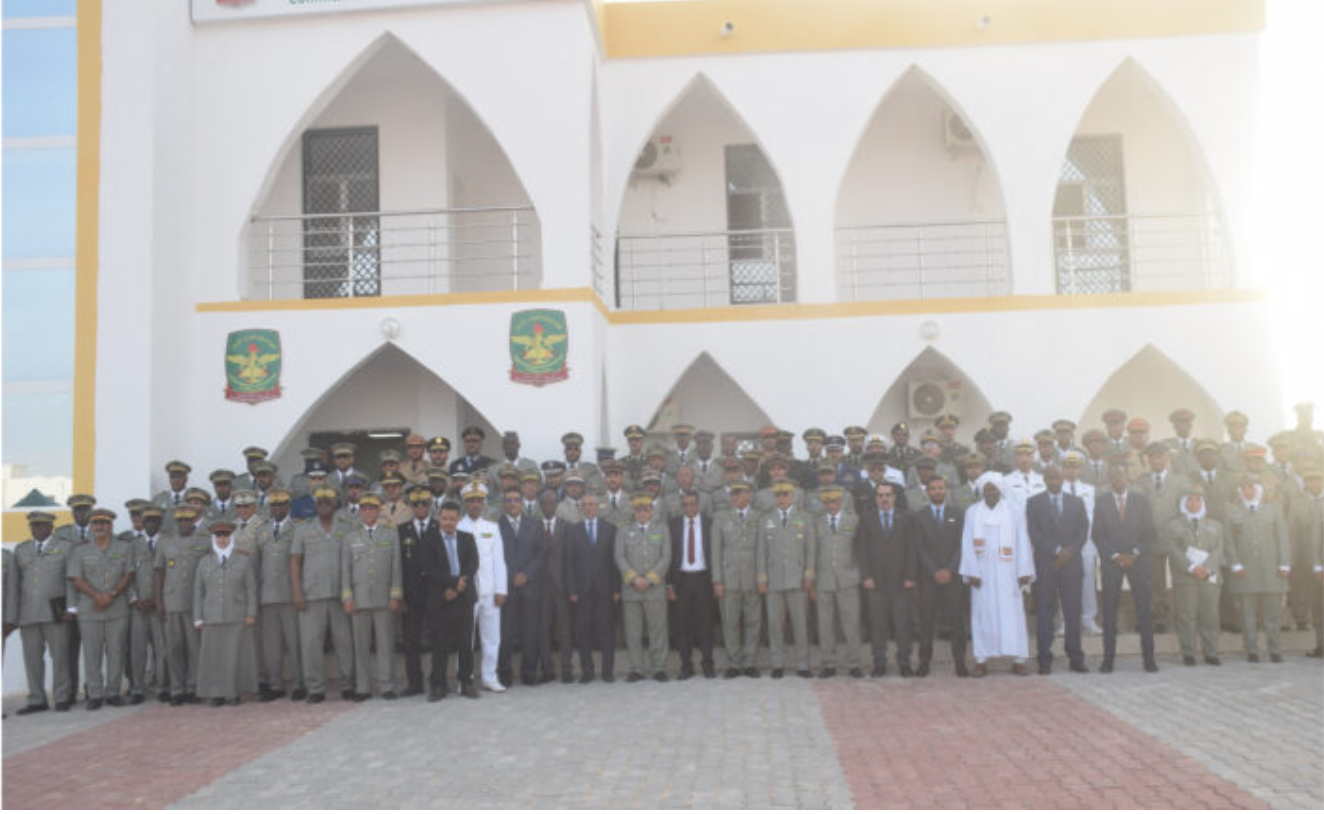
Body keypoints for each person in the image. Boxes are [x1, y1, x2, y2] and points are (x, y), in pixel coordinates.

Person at [960, 473, 1035, 677]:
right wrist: (971, 572)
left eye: (994, 488)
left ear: (1001, 490)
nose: (991, 492)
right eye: (987, 488)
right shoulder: (972, 512)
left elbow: (1022, 541)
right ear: (982, 491)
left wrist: (1024, 571)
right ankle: (981, 660)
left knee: (1014, 616)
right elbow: (967, 543)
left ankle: (1019, 659)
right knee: (982, 615)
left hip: (1009, 572)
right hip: (982, 573)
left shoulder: (1015, 511)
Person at [290, 486, 356, 703]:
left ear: (335, 502)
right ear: (314, 505)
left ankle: (348, 685)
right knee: (311, 645)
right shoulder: (303, 529)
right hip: (312, 596)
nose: (323, 504)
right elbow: (295, 562)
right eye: (319, 502)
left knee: (345, 643)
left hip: (340, 594)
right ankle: (316, 688)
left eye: (327, 501)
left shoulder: (346, 527)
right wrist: (297, 592)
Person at [1092, 465, 1159, 673]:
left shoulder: (1141, 500)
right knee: (1109, 611)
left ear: (1127, 477)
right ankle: (1108, 660)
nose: (1117, 479)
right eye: (1113, 476)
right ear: (1109, 479)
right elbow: (1097, 535)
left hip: (1137, 561)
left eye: (1120, 475)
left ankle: (1149, 659)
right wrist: (1115, 556)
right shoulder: (1101, 502)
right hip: (1112, 562)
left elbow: (1150, 534)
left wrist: (1135, 553)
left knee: (1144, 610)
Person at [1026, 466, 1089, 675]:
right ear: (1044, 479)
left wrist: (1069, 551)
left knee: (1072, 612)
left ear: (1064, 478)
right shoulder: (1034, 502)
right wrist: (1056, 550)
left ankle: (1076, 657)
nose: (1054, 481)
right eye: (1050, 477)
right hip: (1046, 565)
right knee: (1044, 613)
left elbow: (1083, 529)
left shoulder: (1077, 502)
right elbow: (1034, 532)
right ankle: (1044, 659)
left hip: (1071, 565)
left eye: (1057, 477)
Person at [340, 494, 403, 700]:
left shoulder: (390, 535)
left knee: (385, 644)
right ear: (360, 511)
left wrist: (395, 594)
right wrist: (347, 597)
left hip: (383, 598)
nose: (367, 511)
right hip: (359, 599)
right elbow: (345, 570)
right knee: (361, 646)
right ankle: (363, 687)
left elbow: (396, 568)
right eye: (364, 508)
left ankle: (387, 685)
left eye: (372, 508)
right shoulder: (350, 537)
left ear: (378, 511)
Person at [11, 510, 74, 713]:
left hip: (55, 611)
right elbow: (14, 585)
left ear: (50, 527)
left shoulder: (64, 547)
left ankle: (62, 696)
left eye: (41, 526)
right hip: (28, 612)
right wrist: (13, 616)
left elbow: (70, 580)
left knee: (60, 656)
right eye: (33, 526)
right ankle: (37, 699)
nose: (37, 529)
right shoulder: (21, 550)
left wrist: (71, 607)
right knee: (32, 659)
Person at [193, 520, 258, 706]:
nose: (222, 540)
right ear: (214, 538)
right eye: (219, 536)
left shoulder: (243, 560)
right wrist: (198, 617)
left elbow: (251, 589)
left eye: (226, 536)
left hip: (236, 614)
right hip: (211, 615)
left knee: (234, 656)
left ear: (231, 537)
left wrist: (251, 613)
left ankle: (233, 692)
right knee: (213, 657)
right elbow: (198, 591)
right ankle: (215, 693)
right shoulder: (204, 562)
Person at [1226, 475, 1291, 663]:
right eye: (1244, 488)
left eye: (1251, 488)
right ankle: (1252, 649)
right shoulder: (1233, 512)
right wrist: (1235, 564)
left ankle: (1275, 649)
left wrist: (1284, 563)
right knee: (1247, 615)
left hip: (1271, 571)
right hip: (1245, 571)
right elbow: (1229, 542)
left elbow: (1282, 538)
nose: (1247, 492)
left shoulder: (1274, 510)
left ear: (1258, 490)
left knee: (1273, 614)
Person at [757, 478, 816, 678]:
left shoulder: (805, 518)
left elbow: (811, 550)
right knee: (775, 625)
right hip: (773, 580)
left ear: (793, 496)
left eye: (785, 495)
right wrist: (762, 578)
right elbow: (761, 552)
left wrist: (809, 575)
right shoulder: (766, 519)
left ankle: (802, 665)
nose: (782, 499)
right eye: (778, 495)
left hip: (798, 580)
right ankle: (777, 664)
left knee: (800, 624)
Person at [909, 476, 968, 677]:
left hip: (953, 577)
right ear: (928, 492)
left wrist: (949, 570)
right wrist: (934, 571)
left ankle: (960, 662)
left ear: (946, 490)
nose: (937, 491)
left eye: (940, 488)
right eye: (933, 488)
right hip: (928, 577)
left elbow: (962, 545)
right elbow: (918, 547)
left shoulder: (958, 514)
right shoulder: (919, 516)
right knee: (926, 622)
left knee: (957, 622)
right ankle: (924, 663)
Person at [857, 481, 915, 677]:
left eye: (888, 495)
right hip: (876, 582)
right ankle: (879, 663)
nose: (884, 498)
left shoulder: (906, 518)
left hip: (901, 582)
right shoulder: (866, 518)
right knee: (878, 625)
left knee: (902, 625)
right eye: (880, 495)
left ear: (894, 497)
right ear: (875, 498)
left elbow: (912, 550)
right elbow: (862, 550)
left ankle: (904, 662)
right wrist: (866, 576)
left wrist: (910, 576)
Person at [424, 501, 479, 701]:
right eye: (445, 519)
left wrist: (459, 585)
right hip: (441, 598)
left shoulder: (467, 538)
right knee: (439, 645)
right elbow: (430, 569)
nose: (448, 523)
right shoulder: (429, 540)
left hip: (463, 599)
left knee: (466, 644)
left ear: (458, 520)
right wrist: (453, 584)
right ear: (440, 518)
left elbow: (473, 564)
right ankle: (438, 685)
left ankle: (466, 682)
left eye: (452, 519)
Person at [155, 505, 210, 704]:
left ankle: (194, 688)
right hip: (172, 602)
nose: (184, 524)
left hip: (195, 603)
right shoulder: (165, 543)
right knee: (174, 648)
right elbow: (159, 573)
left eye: (188, 520)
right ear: (176, 522)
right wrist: (159, 601)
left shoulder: (204, 541)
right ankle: (177, 689)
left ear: (194, 520)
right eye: (181, 521)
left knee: (195, 648)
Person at [1166, 484, 1225, 666]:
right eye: (1190, 500)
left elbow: (1219, 549)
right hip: (1186, 578)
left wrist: (1206, 568)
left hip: (1209, 576)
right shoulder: (1174, 525)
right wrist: (1192, 567)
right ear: (1183, 503)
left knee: (1210, 615)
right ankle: (1188, 652)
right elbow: (1173, 550)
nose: (1194, 503)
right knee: (1186, 615)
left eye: (1198, 500)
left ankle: (1211, 652)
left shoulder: (1215, 525)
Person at [1134, 442, 1189, 634]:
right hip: (1151, 540)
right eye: (1152, 457)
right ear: (1148, 459)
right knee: (1155, 581)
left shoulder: (1180, 481)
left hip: (1175, 539)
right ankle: (1159, 619)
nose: (1156, 460)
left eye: (1160, 456)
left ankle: (1184, 618)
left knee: (1181, 580)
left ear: (1167, 458)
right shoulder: (1141, 481)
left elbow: (1186, 509)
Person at [616, 493, 671, 682]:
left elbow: (666, 557)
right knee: (633, 632)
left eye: (646, 509)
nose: (642, 512)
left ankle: (659, 667)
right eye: (638, 509)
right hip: (632, 590)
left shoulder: (662, 529)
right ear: (634, 511)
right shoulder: (623, 531)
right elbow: (619, 557)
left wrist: (650, 579)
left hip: (654, 588)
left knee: (658, 630)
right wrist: (634, 579)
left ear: (651, 511)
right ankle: (637, 668)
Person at [710, 480, 762, 678]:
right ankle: (733, 663)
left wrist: (761, 577)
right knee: (730, 622)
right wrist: (717, 580)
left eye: (740, 493)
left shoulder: (759, 517)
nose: (735, 496)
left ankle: (749, 662)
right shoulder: (721, 517)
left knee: (753, 621)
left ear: (749, 495)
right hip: (729, 578)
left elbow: (762, 551)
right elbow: (716, 550)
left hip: (752, 577)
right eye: (733, 493)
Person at [459, 482, 508, 693]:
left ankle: (489, 676)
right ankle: (465, 678)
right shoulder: (458, 526)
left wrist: (501, 590)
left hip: (489, 591)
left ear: (484, 502)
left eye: (478, 500)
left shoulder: (492, 527)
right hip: (466, 593)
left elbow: (499, 561)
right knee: (465, 639)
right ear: (465, 503)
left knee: (492, 638)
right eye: (471, 500)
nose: (475, 504)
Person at [256, 491, 304, 701]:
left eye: (281, 505)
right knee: (271, 646)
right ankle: (275, 684)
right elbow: (257, 564)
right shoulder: (262, 531)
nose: (277, 509)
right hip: (268, 595)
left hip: (289, 594)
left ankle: (300, 683)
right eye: (273, 505)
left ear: (288, 506)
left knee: (295, 643)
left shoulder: (298, 528)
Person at [812, 486, 863, 678]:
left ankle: (854, 662)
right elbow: (813, 551)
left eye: (834, 501)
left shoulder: (853, 520)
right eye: (827, 502)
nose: (830, 505)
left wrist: (858, 573)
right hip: (824, 579)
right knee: (825, 624)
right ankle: (829, 663)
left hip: (848, 579)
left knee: (851, 623)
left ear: (841, 501)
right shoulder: (817, 522)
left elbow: (860, 549)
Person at [567, 493, 619, 683]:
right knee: (583, 632)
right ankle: (587, 672)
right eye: (585, 505)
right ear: (581, 508)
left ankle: (607, 672)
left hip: (605, 590)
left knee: (606, 632)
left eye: (591, 504)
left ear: (598, 507)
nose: (588, 507)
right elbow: (570, 563)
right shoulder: (573, 531)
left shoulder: (610, 529)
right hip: (582, 591)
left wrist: (616, 589)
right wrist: (572, 590)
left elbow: (614, 562)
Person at [667, 490, 715, 679]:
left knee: (705, 625)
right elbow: (669, 555)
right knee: (682, 625)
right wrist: (669, 584)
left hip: (703, 578)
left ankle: (707, 663)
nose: (689, 508)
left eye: (692, 504)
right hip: (682, 579)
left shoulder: (709, 524)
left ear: (698, 505)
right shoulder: (674, 525)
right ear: (681, 506)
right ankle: (686, 665)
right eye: (685, 504)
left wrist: (714, 580)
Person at [398, 487, 437, 695]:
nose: (420, 508)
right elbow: (397, 566)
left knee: (438, 639)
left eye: (424, 504)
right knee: (411, 642)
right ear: (411, 507)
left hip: (434, 594)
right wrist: (399, 594)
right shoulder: (402, 530)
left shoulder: (438, 527)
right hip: (411, 595)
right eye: (416, 504)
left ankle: (437, 680)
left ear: (430, 505)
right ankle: (415, 683)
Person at [127, 507, 168, 704]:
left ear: (160, 523)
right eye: (147, 521)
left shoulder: (167, 542)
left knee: (162, 649)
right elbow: (127, 575)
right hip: (139, 607)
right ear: (142, 523)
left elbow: (170, 576)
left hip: (160, 606)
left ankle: (162, 687)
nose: (150, 524)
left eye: (154, 521)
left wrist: (159, 601)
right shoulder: (133, 545)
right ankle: (137, 688)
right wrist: (134, 599)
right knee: (138, 650)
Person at [534, 488, 574, 683]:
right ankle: (547, 670)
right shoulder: (533, 527)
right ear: (539, 506)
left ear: (557, 504)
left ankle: (567, 669)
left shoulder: (567, 527)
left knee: (565, 629)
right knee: (543, 629)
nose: (547, 506)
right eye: (544, 503)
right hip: (541, 587)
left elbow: (571, 558)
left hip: (562, 585)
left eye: (551, 502)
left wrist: (570, 585)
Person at [1060, 452, 1102, 635]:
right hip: (1065, 545)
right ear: (1063, 468)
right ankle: (1065, 621)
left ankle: (1089, 618)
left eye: (1075, 466)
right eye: (1068, 466)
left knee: (1087, 582)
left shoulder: (1090, 490)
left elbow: (1093, 517)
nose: (1071, 470)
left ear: (1080, 468)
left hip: (1086, 544)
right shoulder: (1057, 489)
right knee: (1064, 582)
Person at [1288, 467, 1324, 657]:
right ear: (1305, 484)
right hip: (1306, 563)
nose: (1314, 484)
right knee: (1316, 606)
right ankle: (1321, 644)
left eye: (1318, 480)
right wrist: (1291, 563)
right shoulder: (1297, 505)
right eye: (1310, 481)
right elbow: (1292, 536)